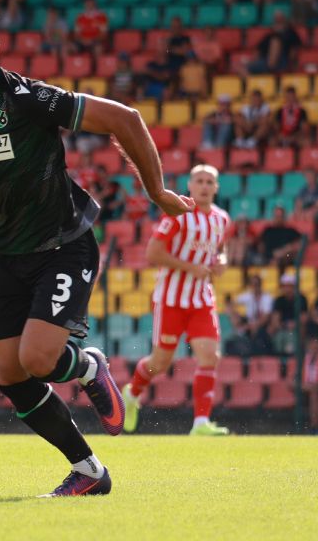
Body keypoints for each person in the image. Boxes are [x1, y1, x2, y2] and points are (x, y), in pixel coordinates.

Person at [0, 2, 192, 496]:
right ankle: (89, 471)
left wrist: (157, 193)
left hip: (63, 243)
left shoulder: (27, 98)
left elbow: (125, 119)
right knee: (11, 376)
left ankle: (88, 365)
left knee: (40, 358)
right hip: (6, 251)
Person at [123, 164, 232, 436]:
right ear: (191, 186)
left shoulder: (222, 219)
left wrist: (222, 262)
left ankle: (200, 424)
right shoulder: (178, 213)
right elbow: (153, 253)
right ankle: (132, 393)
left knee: (210, 356)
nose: (205, 186)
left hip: (201, 299)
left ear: (216, 188)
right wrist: (189, 267)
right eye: (200, 181)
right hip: (171, 299)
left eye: (210, 182)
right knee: (160, 363)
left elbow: (220, 249)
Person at [229, 274, 275, 356]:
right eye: (253, 284)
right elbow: (231, 304)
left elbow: (266, 317)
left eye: (257, 284)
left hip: (262, 326)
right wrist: (236, 316)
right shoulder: (248, 296)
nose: (255, 287)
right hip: (250, 323)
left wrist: (252, 326)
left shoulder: (267, 298)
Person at [268, 274, 308, 355]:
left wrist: (294, 324)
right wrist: (286, 325)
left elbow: (304, 318)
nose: (288, 289)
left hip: (297, 328)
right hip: (283, 329)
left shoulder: (301, 299)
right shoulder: (279, 300)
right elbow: (275, 321)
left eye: (290, 286)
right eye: (286, 286)